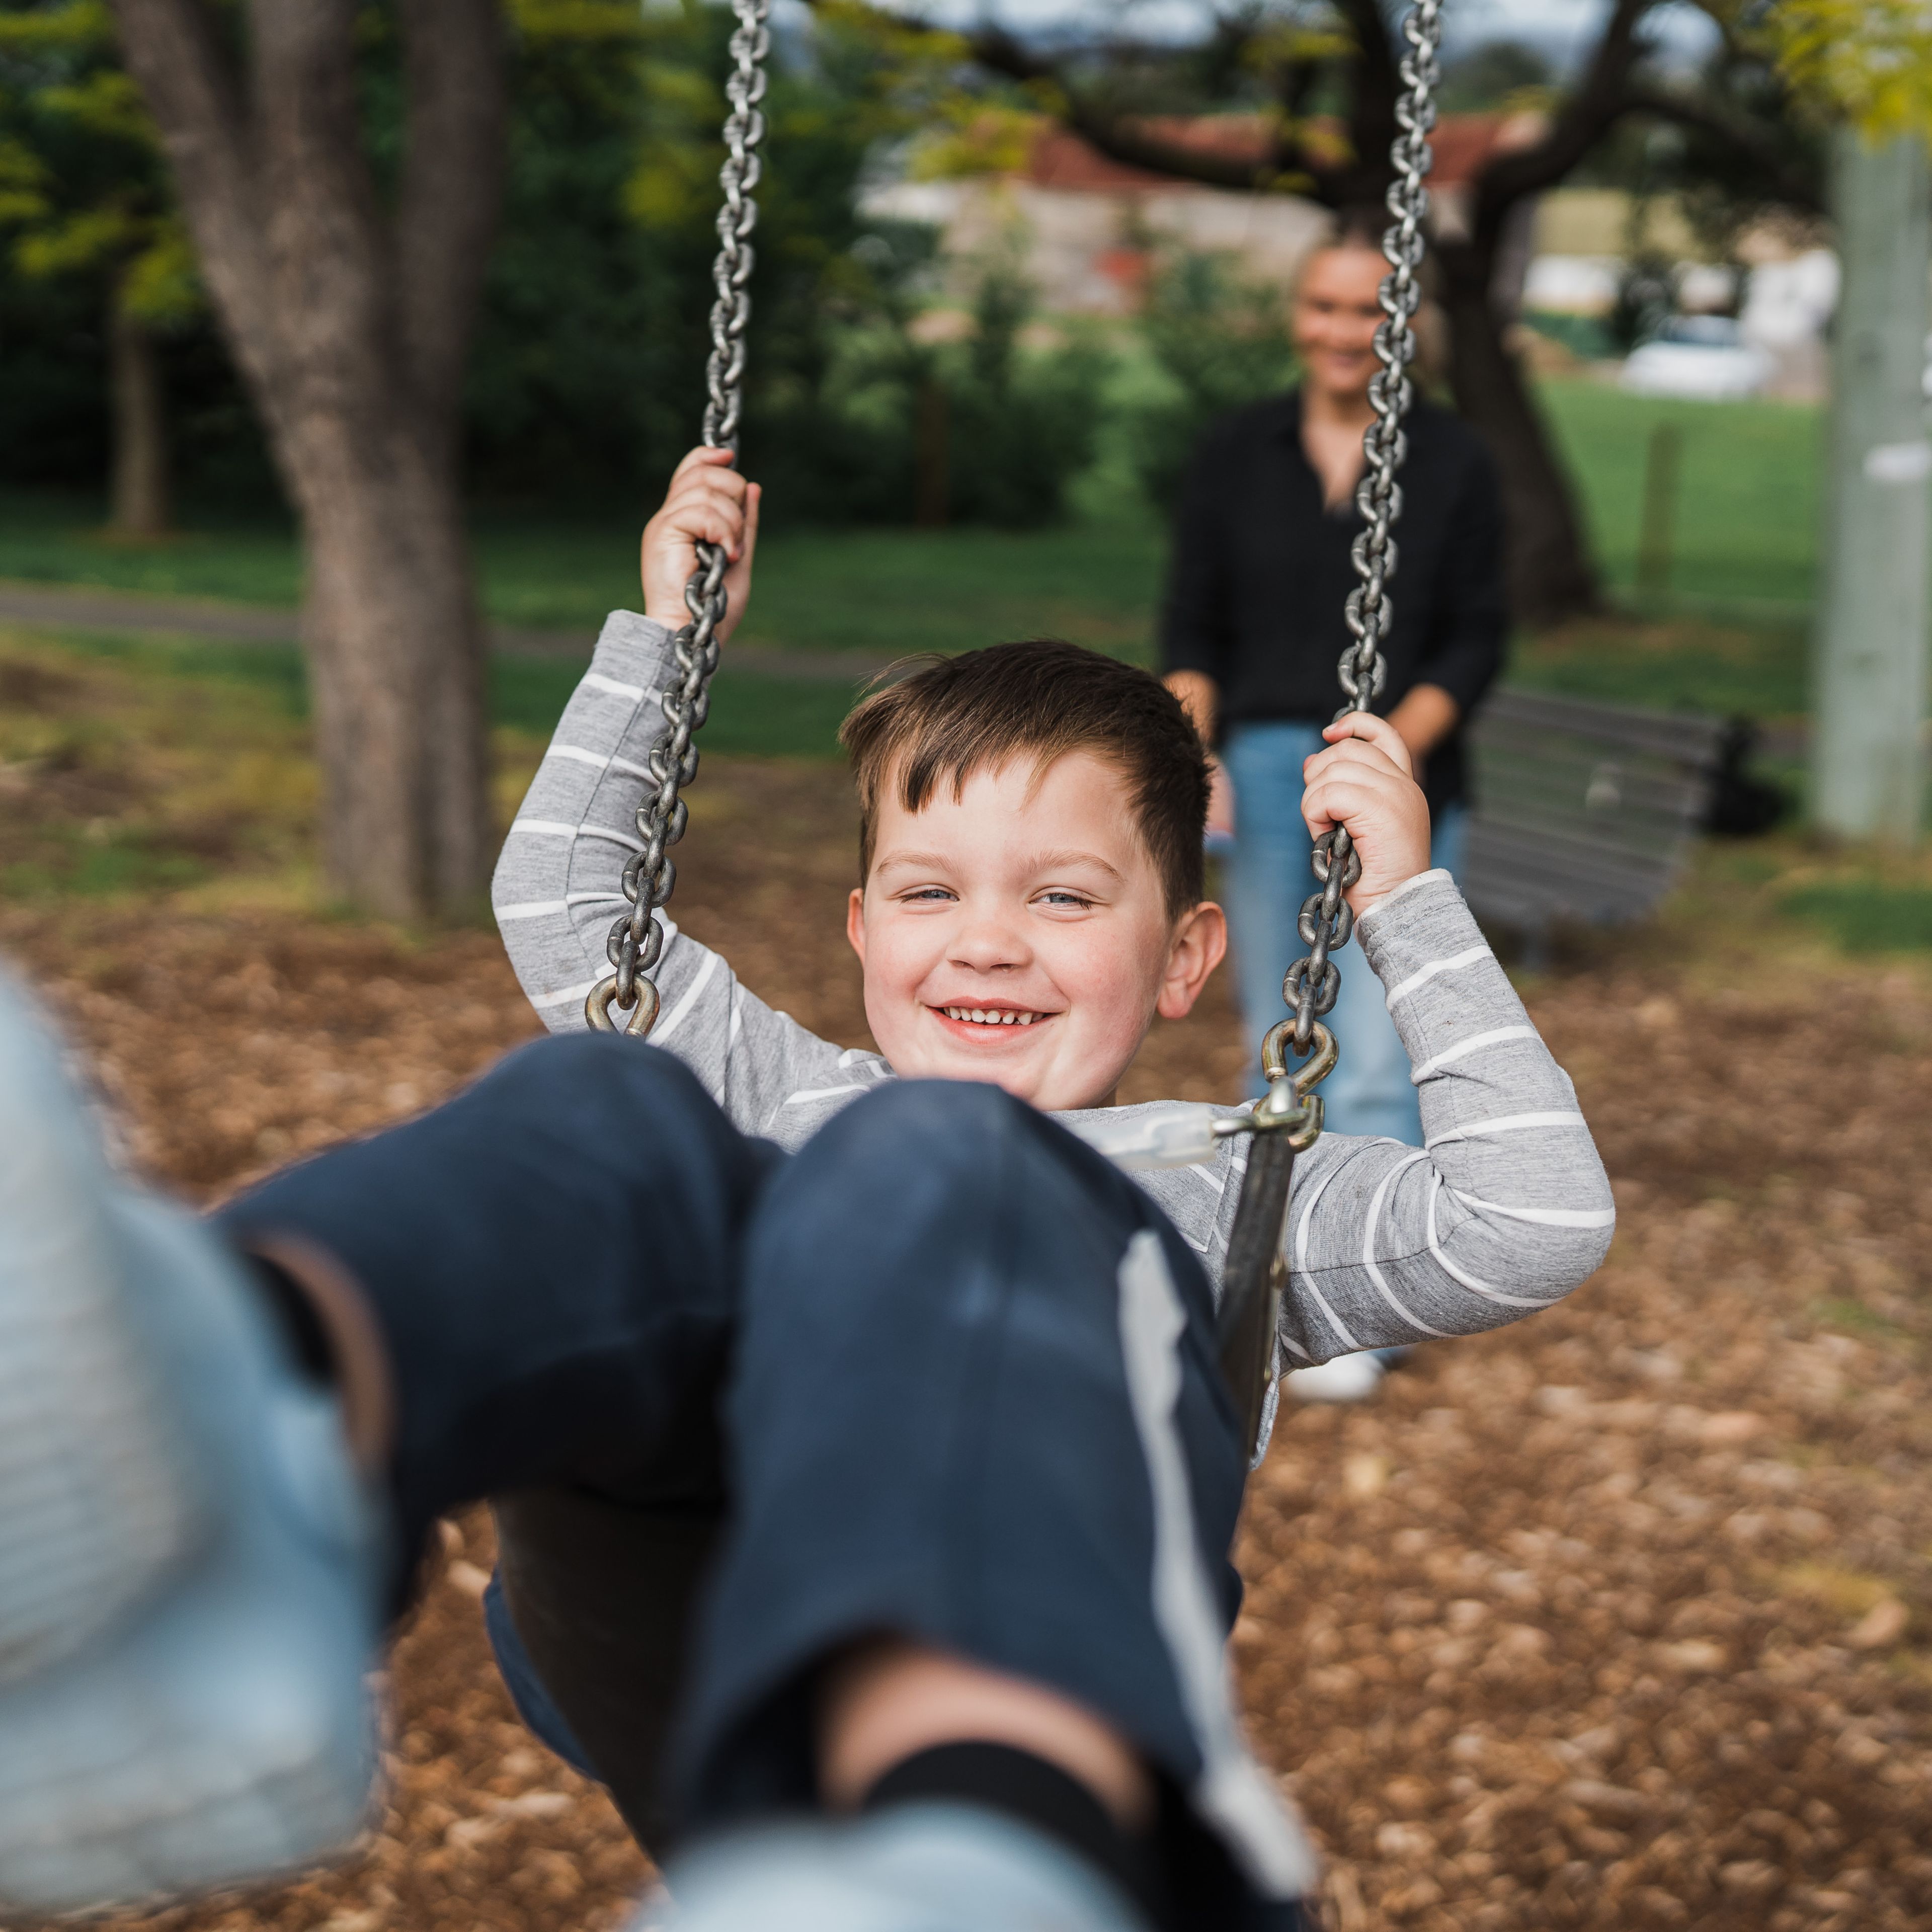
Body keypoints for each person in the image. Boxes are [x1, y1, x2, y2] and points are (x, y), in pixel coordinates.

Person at [0, 449, 1609, 1932]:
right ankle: (213, 1433)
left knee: (954, 1160)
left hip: (1015, 1653)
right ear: (861, 932)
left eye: (1064, 897)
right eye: (930, 892)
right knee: (606, 1120)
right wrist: (663, 643)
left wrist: (1399, 901)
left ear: (1188, 957)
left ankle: (990, 1854)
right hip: (664, 1617)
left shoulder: (1245, 1194)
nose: (986, 940)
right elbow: (571, 910)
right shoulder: (788, 1094)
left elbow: (1529, 1221)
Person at [1159, 210, 1507, 1151]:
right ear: (1297, 313)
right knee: (1280, 1041)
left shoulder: (1454, 461)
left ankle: (1369, 1269)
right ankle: (1262, 1265)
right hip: (1268, 771)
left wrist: (1387, 759)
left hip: (1406, 772)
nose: (1345, 330)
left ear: (1408, 320)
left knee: (1378, 1060)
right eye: (1325, 305)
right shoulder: (1239, 451)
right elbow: (1193, 626)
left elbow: (1475, 643)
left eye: (1371, 308)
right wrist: (1194, 761)